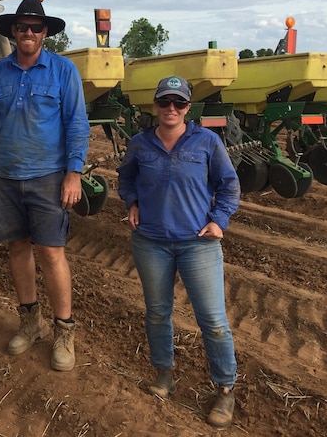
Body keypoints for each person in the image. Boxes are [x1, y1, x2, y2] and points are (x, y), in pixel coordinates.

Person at [116, 76, 241, 427]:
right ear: (155, 105)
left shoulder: (207, 142)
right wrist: (132, 201)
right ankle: (164, 374)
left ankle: (226, 390)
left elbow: (229, 184)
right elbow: (125, 178)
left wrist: (219, 220)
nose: (171, 109)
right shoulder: (140, 144)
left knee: (213, 321)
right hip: (151, 241)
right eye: (165, 102)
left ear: (189, 108)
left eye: (179, 103)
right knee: (157, 313)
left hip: (197, 243)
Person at [0, 0, 90, 372]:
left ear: (44, 34)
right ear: (13, 31)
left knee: (51, 252)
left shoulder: (62, 71)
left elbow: (76, 124)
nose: (28, 33)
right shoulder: (0, 72)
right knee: (18, 249)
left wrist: (73, 174)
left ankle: (64, 331)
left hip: (47, 176)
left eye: (35, 28)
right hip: (5, 175)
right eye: (21, 27)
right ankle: (30, 323)